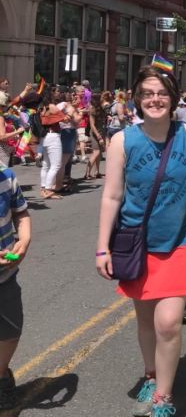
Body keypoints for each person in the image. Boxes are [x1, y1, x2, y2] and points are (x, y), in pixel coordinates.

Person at [96, 66, 186, 417]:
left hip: (180, 240)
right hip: (137, 243)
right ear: (137, 99)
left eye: (161, 93)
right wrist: (102, 247)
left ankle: (163, 397)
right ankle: (151, 373)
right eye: (147, 93)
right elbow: (112, 197)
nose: (155, 99)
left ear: (172, 97)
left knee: (168, 323)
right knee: (146, 320)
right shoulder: (122, 141)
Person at [0, 164, 31, 409]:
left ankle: (1, 376)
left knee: (11, 331)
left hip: (4, 275)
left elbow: (20, 213)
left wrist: (25, 237)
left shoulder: (6, 176)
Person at [38, 89, 65, 200]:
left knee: (46, 165)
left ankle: (43, 188)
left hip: (44, 137)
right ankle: (48, 189)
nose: (58, 93)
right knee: (56, 164)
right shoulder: (52, 107)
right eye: (56, 92)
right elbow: (65, 118)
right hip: (53, 136)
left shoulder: (40, 107)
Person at [85, 92, 106, 179]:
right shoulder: (92, 110)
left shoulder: (101, 109)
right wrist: (99, 136)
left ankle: (97, 172)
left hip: (101, 132)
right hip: (95, 133)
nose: (102, 99)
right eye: (101, 98)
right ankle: (87, 173)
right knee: (96, 152)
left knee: (99, 153)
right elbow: (92, 125)